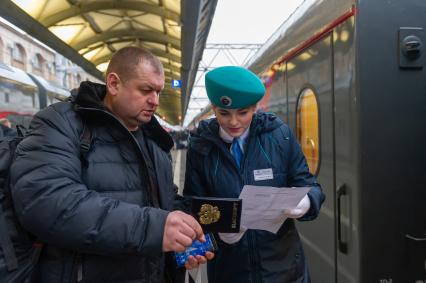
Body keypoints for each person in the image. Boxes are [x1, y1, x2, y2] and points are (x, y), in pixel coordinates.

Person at [10, 46, 212, 283]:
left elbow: (164, 200)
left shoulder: (154, 140)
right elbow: (47, 200)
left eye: (158, 92)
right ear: (114, 84)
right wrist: (156, 229)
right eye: (146, 90)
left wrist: (184, 237)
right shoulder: (61, 123)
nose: (155, 101)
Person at [183, 66, 325, 283]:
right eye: (224, 113)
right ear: (214, 109)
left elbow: (311, 187)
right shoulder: (201, 148)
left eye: (243, 113)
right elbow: (193, 207)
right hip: (230, 272)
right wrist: (218, 234)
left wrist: (304, 202)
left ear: (255, 108)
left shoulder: (279, 137)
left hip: (285, 270)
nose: (233, 122)